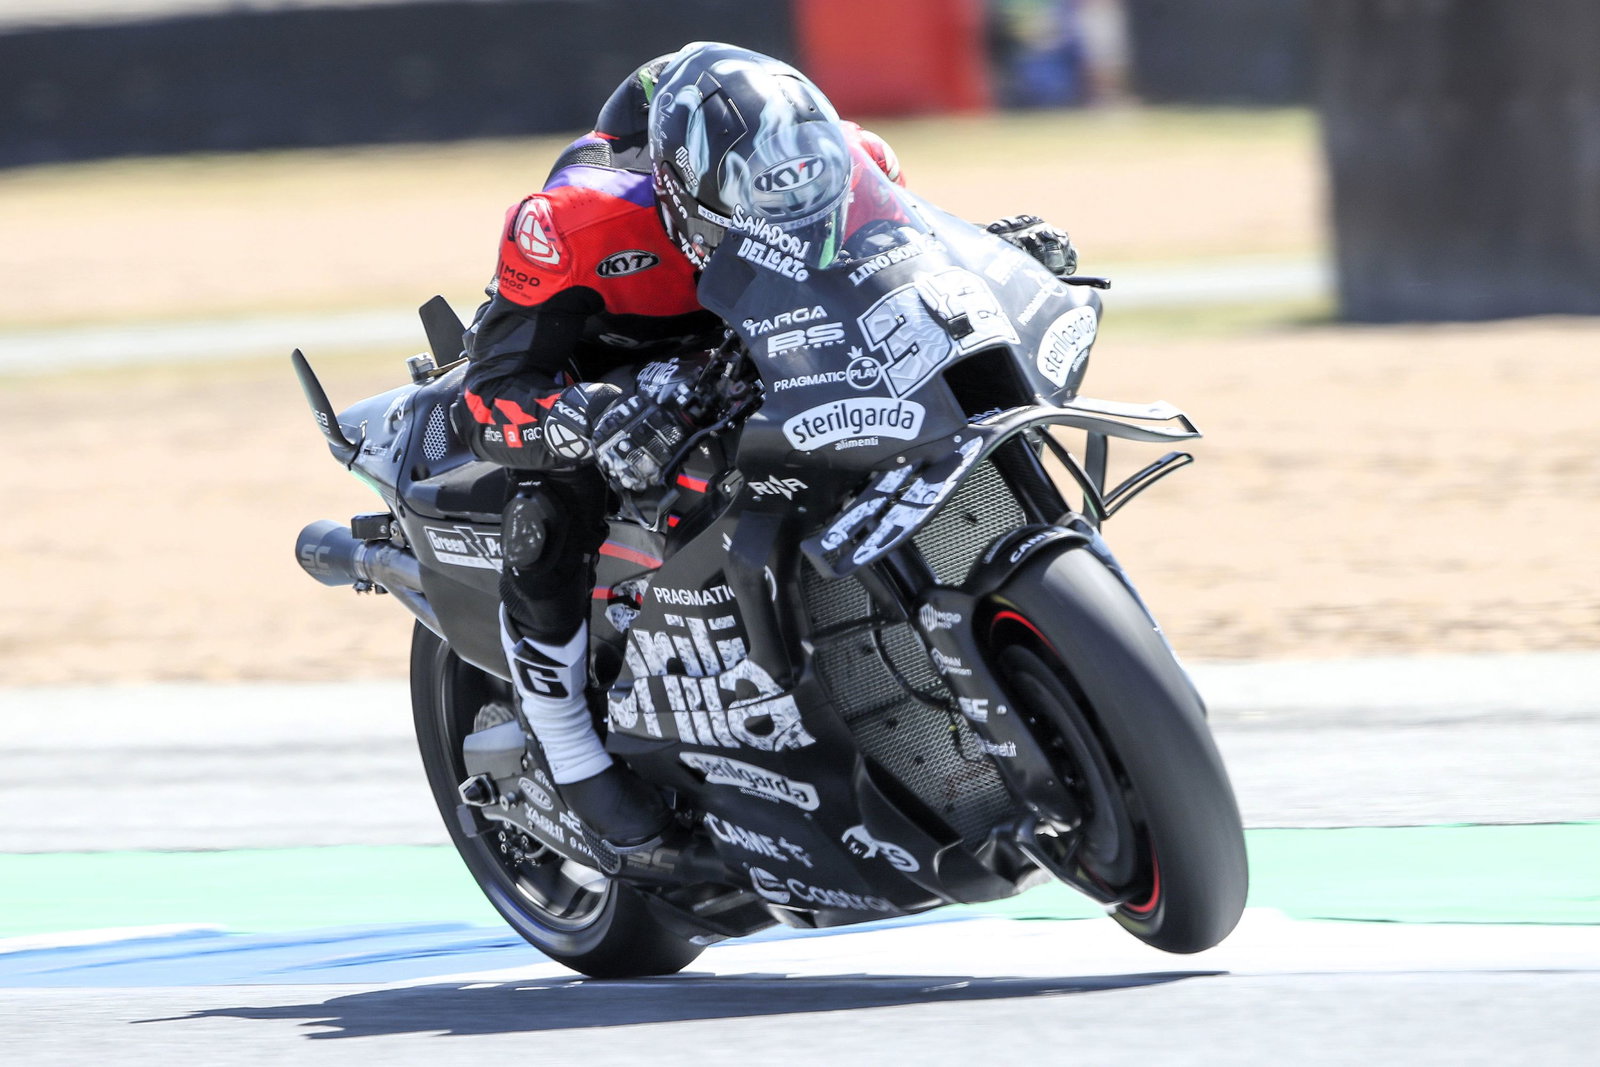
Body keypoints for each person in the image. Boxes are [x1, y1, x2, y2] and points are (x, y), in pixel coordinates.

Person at [453, 42, 1077, 850]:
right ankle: (570, 750)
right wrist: (589, 415)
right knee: (547, 508)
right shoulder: (572, 221)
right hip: (612, 366)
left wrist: (997, 254)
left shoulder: (858, 161)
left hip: (765, 339)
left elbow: (904, 267)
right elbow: (489, 396)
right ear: (678, 193)